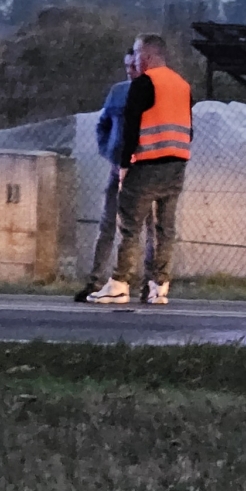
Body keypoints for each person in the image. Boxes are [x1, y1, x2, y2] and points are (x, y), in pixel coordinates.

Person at [88, 34, 192, 305]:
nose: (132, 59)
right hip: (177, 164)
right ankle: (159, 285)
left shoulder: (144, 83)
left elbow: (132, 128)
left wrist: (124, 164)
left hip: (146, 165)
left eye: (135, 53)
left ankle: (119, 283)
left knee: (130, 227)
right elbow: (188, 127)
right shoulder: (182, 85)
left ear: (146, 55)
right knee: (164, 228)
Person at [73, 50, 155, 302]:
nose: (130, 71)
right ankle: (96, 281)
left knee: (151, 226)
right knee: (107, 223)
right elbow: (104, 123)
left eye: (134, 66)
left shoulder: (152, 92)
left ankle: (150, 282)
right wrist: (109, 151)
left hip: (146, 169)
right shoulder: (118, 92)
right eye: (127, 66)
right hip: (117, 165)